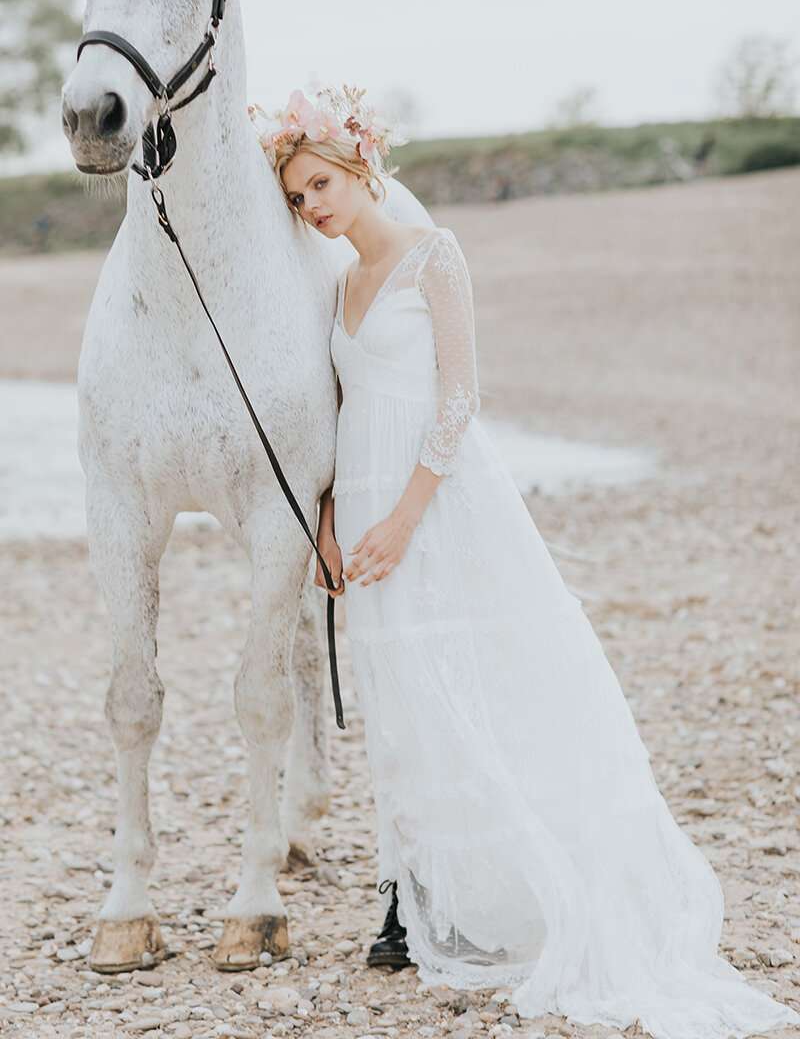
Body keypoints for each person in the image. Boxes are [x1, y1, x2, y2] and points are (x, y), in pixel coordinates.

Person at [247, 86, 800, 1039]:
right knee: (402, 698)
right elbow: (336, 416)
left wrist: (406, 519)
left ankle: (503, 887)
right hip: (368, 510)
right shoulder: (337, 288)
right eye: (299, 199)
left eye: (322, 185)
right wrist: (332, 519)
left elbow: (460, 398)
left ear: (362, 168)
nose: (315, 208)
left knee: (480, 682)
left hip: (441, 505)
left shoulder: (435, 257)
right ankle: (416, 894)